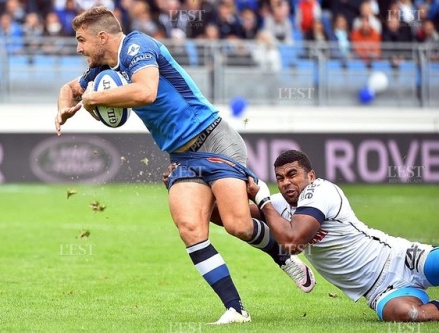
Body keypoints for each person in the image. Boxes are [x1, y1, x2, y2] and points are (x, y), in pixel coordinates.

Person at [54, 6, 315, 325]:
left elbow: (146, 92)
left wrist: (97, 101)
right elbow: (70, 90)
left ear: (102, 36)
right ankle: (236, 309)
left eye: (81, 40)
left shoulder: (138, 47)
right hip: (182, 157)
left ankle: (279, 247)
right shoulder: (101, 69)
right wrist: (65, 110)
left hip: (214, 139)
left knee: (238, 225)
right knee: (192, 228)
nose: (79, 48)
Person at [244, 149, 439, 322]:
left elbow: (293, 242)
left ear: (311, 176)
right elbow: (236, 217)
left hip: (399, 257)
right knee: (404, 314)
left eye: (292, 175)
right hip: (379, 291)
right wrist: (220, 185)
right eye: (280, 178)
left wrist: (263, 201)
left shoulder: (320, 191)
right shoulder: (278, 206)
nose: (286, 182)